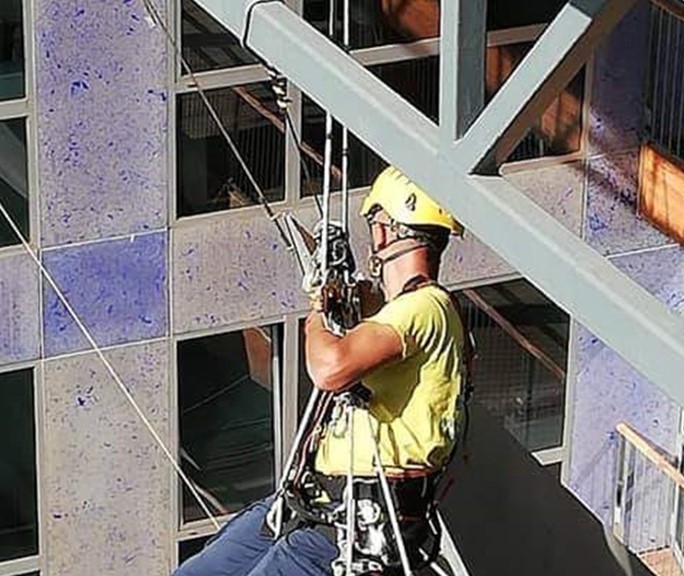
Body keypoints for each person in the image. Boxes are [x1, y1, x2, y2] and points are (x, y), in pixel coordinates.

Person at [173, 166, 468, 576]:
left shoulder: (424, 307)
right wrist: (346, 298)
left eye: (375, 226)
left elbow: (330, 369)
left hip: (351, 524)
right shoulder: (409, 311)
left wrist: (318, 311)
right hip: (314, 501)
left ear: (387, 230)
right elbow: (374, 326)